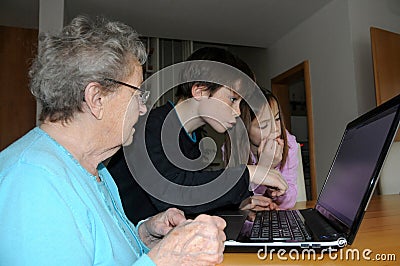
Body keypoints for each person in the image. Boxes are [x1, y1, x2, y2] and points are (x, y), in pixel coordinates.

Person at [0, 15, 227, 265]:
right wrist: (164, 260)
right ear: (97, 98)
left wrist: (143, 235)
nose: (143, 109)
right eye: (138, 94)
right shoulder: (33, 182)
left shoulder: (94, 167)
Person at [108, 47, 288, 224]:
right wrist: (248, 172)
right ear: (200, 91)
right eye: (233, 99)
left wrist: (238, 203)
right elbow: (170, 194)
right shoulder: (149, 128)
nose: (237, 112)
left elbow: (192, 199)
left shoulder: (193, 139)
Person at [229, 90, 299, 210]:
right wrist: (265, 168)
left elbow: (290, 201)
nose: (276, 129)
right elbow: (237, 199)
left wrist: (277, 192)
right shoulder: (232, 150)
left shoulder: (289, 145)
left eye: (277, 119)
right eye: (265, 125)